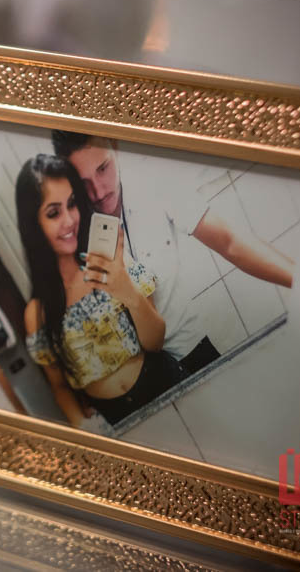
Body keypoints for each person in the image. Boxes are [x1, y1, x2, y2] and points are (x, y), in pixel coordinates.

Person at [52, 131, 294, 371]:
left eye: (103, 168)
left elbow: (230, 243)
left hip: (192, 352)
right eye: (83, 182)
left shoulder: (153, 182)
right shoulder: (71, 228)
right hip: (136, 378)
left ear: (115, 146)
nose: (98, 191)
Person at [16, 154, 185, 430]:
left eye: (72, 204)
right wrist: (84, 428)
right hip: (116, 421)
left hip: (166, 384)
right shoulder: (37, 313)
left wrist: (124, 287)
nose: (69, 220)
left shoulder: (112, 262)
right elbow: (59, 387)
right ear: (34, 225)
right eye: (53, 213)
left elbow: (156, 341)